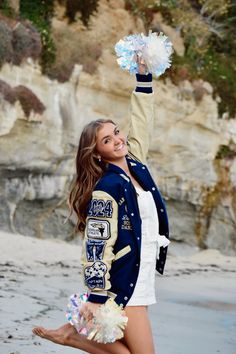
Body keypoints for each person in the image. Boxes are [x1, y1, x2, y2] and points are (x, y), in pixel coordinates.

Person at [33, 62, 170, 354]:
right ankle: (73, 337)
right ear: (96, 153)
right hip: (123, 282)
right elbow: (96, 241)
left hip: (141, 274)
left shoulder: (135, 164)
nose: (118, 140)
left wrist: (143, 78)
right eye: (107, 140)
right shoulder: (107, 188)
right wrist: (96, 294)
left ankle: (72, 336)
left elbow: (142, 121)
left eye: (117, 132)